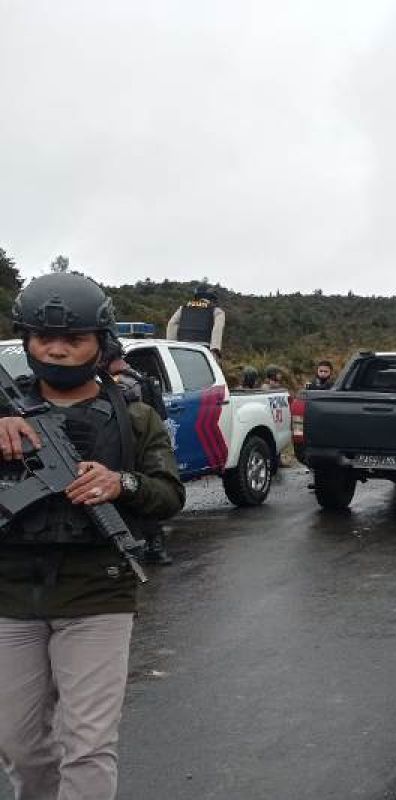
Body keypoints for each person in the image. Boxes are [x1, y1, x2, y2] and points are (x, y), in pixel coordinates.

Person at [0, 272, 185, 800]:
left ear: (98, 343)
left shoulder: (135, 415)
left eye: (73, 339)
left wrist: (120, 482)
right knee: (17, 743)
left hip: (98, 592)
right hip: (10, 593)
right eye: (43, 339)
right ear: (28, 342)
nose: (56, 351)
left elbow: (168, 494)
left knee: (88, 744)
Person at [103, 342, 173, 565]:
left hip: (132, 444)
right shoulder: (138, 377)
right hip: (145, 443)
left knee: (139, 494)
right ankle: (155, 545)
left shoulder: (122, 382)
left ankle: (153, 546)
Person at [166, 284, 225, 359]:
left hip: (183, 347)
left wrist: (172, 346)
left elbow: (172, 324)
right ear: (211, 298)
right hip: (203, 350)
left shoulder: (182, 309)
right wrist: (215, 350)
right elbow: (217, 329)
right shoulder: (217, 311)